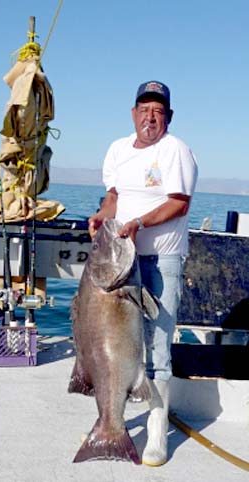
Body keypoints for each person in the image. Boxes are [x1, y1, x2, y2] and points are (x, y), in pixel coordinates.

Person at [88, 80, 198, 466]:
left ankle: (156, 433)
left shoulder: (176, 151)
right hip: (124, 263)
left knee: (159, 347)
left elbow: (179, 205)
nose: (150, 117)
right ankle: (110, 425)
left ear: (168, 117)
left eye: (158, 111)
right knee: (120, 346)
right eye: (144, 109)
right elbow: (114, 196)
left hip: (162, 260)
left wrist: (138, 223)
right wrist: (104, 214)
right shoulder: (118, 149)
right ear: (133, 113)